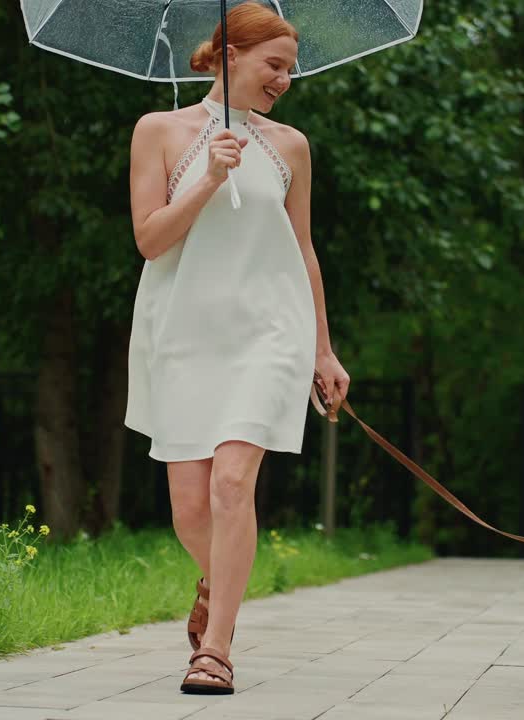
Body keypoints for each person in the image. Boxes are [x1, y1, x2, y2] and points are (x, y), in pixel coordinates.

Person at [124, 2, 349, 696]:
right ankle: (216, 584)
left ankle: (215, 648)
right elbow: (151, 239)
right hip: (184, 334)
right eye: (273, 65)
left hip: (267, 335)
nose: (285, 79)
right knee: (191, 511)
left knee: (230, 485)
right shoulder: (159, 130)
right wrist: (210, 177)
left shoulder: (290, 146)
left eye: (290, 68)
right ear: (229, 54)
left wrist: (323, 348)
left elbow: (303, 250)